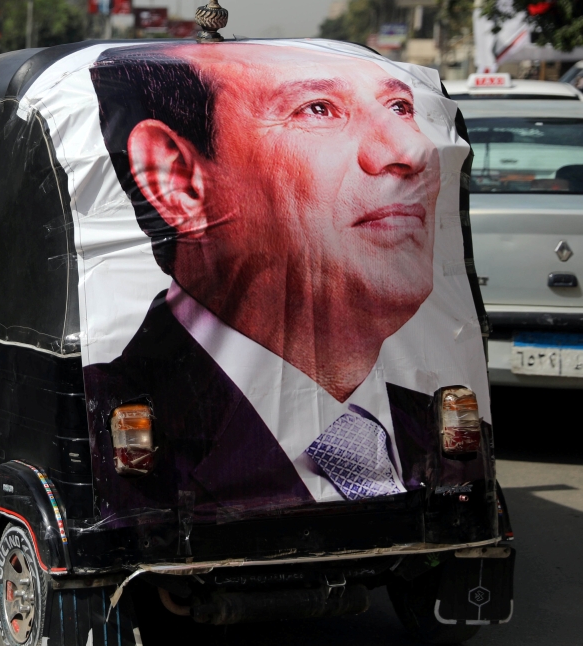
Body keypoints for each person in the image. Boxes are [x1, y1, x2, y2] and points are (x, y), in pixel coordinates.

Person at [84, 43, 463, 518]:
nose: (415, 150)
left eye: (400, 107)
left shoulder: (431, 426)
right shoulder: (105, 421)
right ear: (178, 180)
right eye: (318, 109)